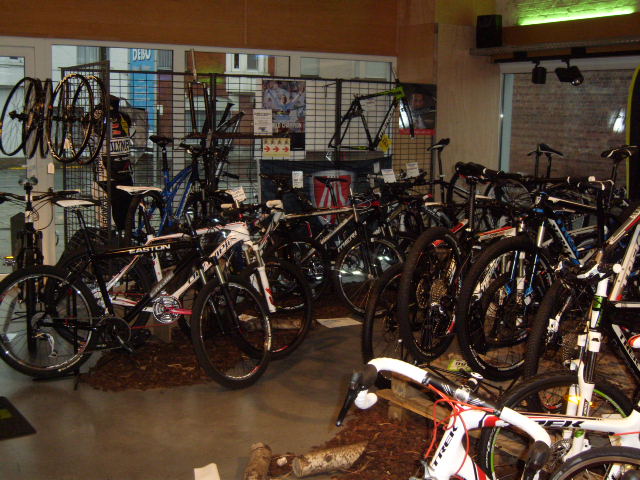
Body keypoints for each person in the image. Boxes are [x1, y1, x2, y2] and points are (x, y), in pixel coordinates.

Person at [94, 95, 134, 231]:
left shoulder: (124, 117)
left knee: (125, 211)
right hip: (105, 172)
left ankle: (125, 236)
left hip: (123, 170)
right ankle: (111, 235)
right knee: (107, 217)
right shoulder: (97, 117)